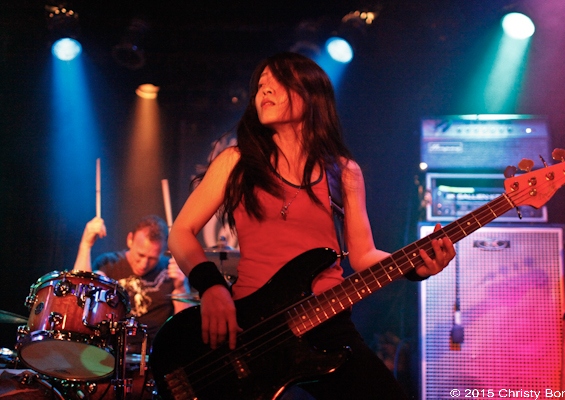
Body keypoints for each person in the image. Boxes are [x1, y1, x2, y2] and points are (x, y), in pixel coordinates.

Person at [167, 52, 456, 399]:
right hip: (253, 329)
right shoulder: (236, 162)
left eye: (277, 83)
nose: (264, 92)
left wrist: (415, 267)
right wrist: (212, 287)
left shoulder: (344, 172)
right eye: (260, 86)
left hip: (326, 321)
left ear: (310, 94)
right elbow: (180, 232)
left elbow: (363, 255)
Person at [73, 215, 192, 352]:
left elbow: (185, 327)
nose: (144, 264)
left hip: (154, 351)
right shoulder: (108, 263)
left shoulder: (171, 270)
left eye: (152, 258)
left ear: (163, 249)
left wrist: (181, 287)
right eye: (140, 255)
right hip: (110, 350)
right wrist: (86, 245)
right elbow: (80, 296)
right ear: (130, 240)